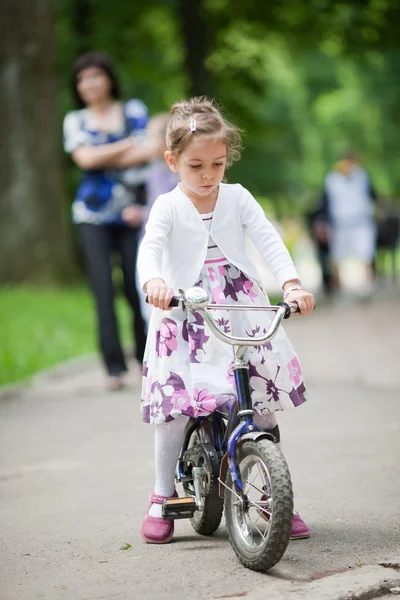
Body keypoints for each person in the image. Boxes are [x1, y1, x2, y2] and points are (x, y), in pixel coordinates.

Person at [137, 97, 315, 545]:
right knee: (177, 409)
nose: (207, 174)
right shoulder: (167, 206)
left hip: (240, 309)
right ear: (172, 161)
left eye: (217, 163)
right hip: (185, 311)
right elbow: (150, 249)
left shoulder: (237, 198)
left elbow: (269, 240)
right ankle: (161, 495)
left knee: (261, 403)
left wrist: (291, 283)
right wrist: (154, 280)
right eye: (195, 165)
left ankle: (274, 495)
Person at [63, 52, 161, 391]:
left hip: (133, 214)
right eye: (82, 79)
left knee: (141, 288)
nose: (89, 84)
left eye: (95, 76)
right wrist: (124, 145)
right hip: (91, 216)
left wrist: (102, 153)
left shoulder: (133, 110)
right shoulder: (75, 119)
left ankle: (146, 361)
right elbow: (84, 159)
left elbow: (148, 152)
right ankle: (114, 367)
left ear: (108, 79)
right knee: (103, 290)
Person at [320, 152, 377, 294]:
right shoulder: (332, 179)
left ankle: (368, 286)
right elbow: (325, 203)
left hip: (361, 221)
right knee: (336, 257)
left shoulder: (362, 176)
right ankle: (338, 288)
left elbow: (373, 196)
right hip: (339, 223)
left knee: (366, 254)